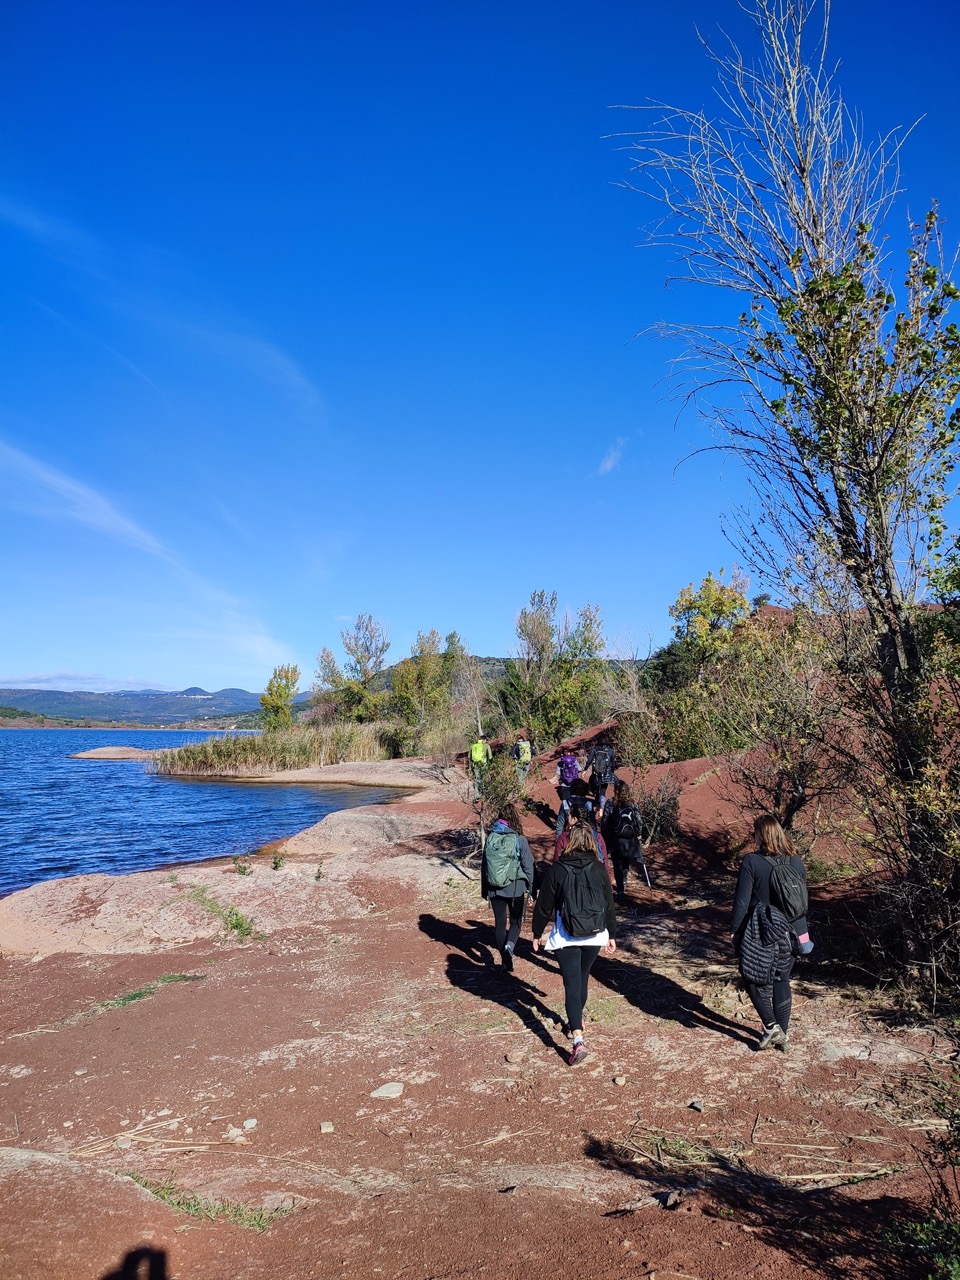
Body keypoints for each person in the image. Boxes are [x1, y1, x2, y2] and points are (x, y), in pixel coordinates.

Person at [532, 821, 617, 1066]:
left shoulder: (558, 869)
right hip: (594, 933)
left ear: (569, 842)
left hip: (566, 935)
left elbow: (544, 905)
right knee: (582, 978)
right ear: (591, 842)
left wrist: (537, 933)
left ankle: (577, 1040)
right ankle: (574, 1024)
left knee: (572, 984)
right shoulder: (599, 868)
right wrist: (611, 934)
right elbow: (609, 904)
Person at [731, 815, 812, 1052]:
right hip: (795, 932)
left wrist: (735, 931)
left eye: (755, 832)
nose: (753, 836)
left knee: (752, 976)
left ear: (761, 835)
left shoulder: (752, 861)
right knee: (781, 979)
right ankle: (783, 1035)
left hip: (763, 931)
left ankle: (771, 1027)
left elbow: (742, 901)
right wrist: (802, 933)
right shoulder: (795, 860)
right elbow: (802, 900)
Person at [481, 803, 534, 972]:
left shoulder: (490, 838)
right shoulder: (519, 839)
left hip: (494, 888)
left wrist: (485, 889)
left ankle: (505, 959)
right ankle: (509, 948)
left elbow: (484, 866)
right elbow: (529, 866)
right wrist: (532, 889)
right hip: (515, 887)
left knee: (500, 923)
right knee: (516, 922)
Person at [602, 781, 649, 898]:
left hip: (616, 839)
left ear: (615, 791)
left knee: (617, 863)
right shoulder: (632, 804)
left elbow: (604, 821)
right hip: (630, 839)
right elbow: (639, 821)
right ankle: (624, 882)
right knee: (625, 862)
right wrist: (638, 834)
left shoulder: (610, 803)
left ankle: (620, 890)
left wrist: (605, 834)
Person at [553, 801, 614, 886]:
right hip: (593, 883)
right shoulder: (597, 837)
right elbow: (605, 864)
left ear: (574, 819)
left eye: (569, 815)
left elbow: (556, 864)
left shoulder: (564, 837)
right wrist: (608, 888)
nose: (568, 817)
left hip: (569, 884)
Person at [584, 739, 618, 821]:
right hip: (606, 774)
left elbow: (589, 760)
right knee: (603, 790)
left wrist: (585, 770)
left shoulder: (595, 749)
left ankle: (598, 805)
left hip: (595, 774)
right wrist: (611, 771)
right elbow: (613, 763)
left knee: (595, 789)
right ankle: (601, 810)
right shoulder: (610, 750)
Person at [554, 749, 581, 836]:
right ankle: (575, 822)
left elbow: (558, 773)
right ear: (569, 753)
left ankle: (567, 823)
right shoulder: (574, 760)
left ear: (562, 754)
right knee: (574, 802)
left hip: (564, 785)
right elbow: (579, 769)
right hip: (574, 784)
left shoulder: (560, 762)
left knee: (566, 803)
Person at [469, 733, 492, 799]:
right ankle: (483, 794)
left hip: (475, 765)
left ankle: (476, 795)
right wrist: (490, 764)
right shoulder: (486, 746)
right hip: (484, 765)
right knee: (484, 779)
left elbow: (469, 757)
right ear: (484, 740)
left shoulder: (473, 746)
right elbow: (490, 757)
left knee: (477, 779)